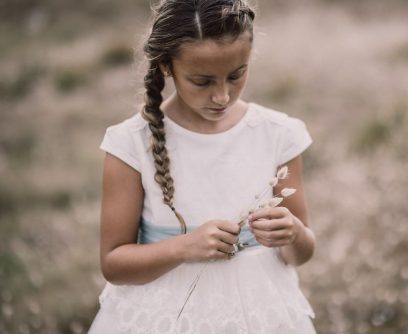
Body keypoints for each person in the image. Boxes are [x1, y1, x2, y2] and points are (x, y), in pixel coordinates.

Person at [88, 0, 316, 333]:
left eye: (236, 75)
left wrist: (293, 233)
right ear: (167, 66)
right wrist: (184, 246)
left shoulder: (277, 134)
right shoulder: (131, 144)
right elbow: (114, 264)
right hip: (163, 314)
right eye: (203, 81)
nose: (222, 96)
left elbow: (301, 254)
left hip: (260, 310)